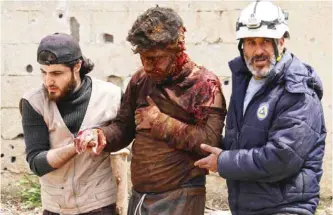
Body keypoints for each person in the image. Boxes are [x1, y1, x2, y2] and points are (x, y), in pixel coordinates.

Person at [75, 6, 227, 215]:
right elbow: (123, 128)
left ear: (178, 47)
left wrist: (161, 123)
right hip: (140, 197)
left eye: (156, 58)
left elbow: (210, 142)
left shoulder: (204, 84)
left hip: (182, 197)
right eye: (144, 58)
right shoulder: (141, 80)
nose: (147, 66)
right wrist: (100, 135)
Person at [194, 1, 326, 215]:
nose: (258, 51)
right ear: (242, 46)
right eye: (251, 42)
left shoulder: (298, 91)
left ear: (281, 41)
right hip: (247, 207)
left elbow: (282, 158)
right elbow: (241, 141)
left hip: (286, 209)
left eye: (266, 41)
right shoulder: (244, 82)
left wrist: (223, 162)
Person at [20, 33, 121, 214]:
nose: (48, 81)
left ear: (77, 66)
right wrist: (76, 146)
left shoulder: (110, 96)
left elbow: (124, 134)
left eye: (57, 73)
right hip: (56, 206)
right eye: (43, 72)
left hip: (99, 203)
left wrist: (101, 134)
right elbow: (37, 163)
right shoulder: (34, 102)